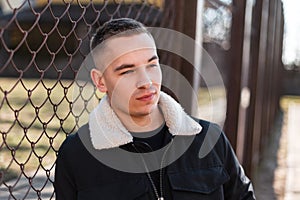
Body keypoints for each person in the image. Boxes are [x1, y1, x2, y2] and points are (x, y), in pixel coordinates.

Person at [54, 18, 256, 200]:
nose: (146, 81)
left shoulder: (210, 140)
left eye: (151, 65)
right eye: (127, 71)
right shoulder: (76, 155)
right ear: (100, 82)